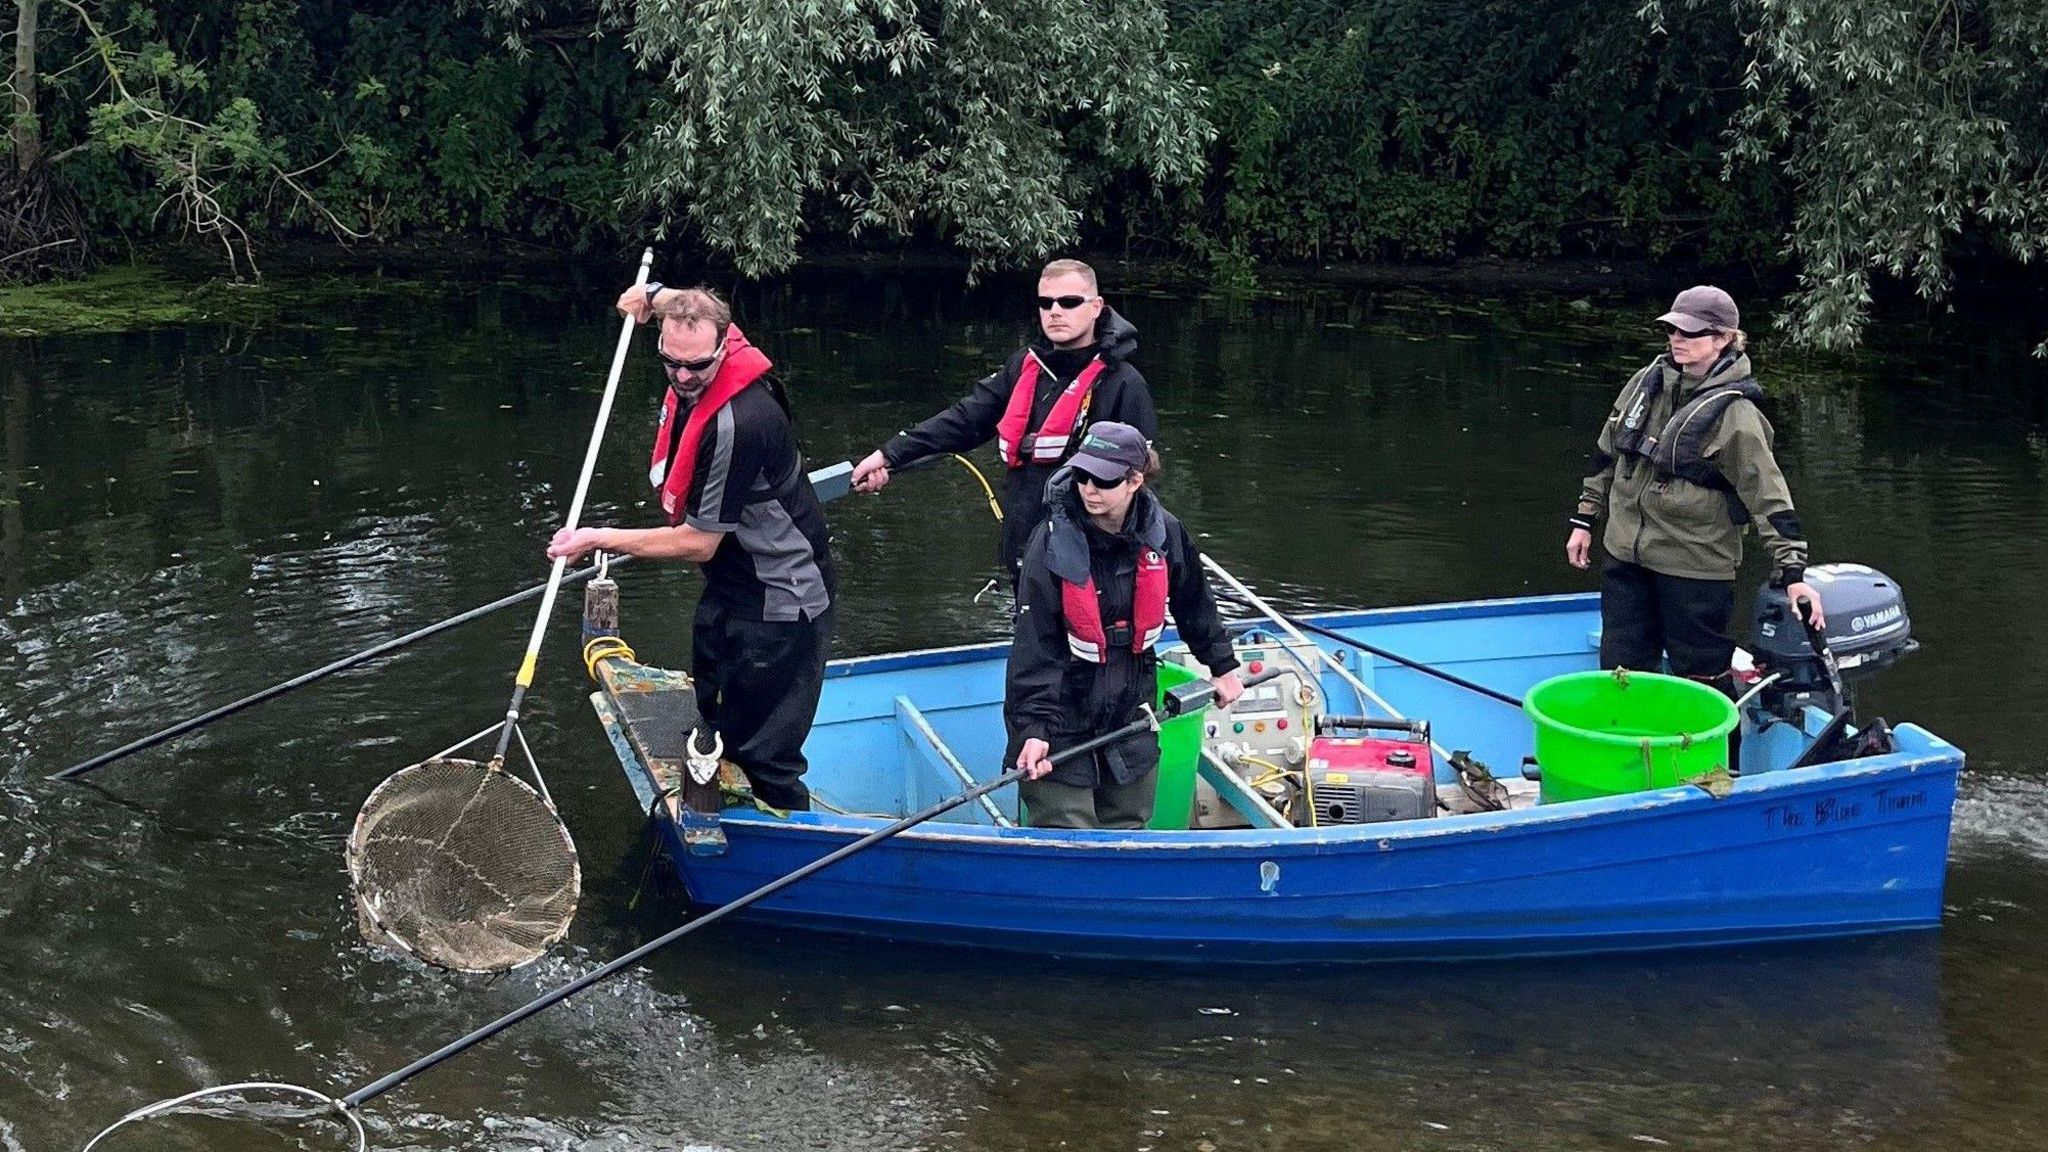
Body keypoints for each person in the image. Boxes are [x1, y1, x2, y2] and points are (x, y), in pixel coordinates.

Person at [548, 283, 833, 811]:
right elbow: (679, 302)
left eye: (696, 367)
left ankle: (787, 841)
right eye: (671, 364)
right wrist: (651, 293)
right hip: (733, 582)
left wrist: (596, 536)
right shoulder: (704, 341)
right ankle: (721, 792)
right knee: (713, 702)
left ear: (724, 348)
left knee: (764, 751)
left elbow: (699, 542)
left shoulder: (737, 422)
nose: (682, 379)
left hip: (781, 597)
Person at [1565, 285, 1825, 692]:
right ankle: (1631, 748)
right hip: (1625, 557)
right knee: (1621, 673)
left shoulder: (1738, 414)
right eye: (1672, 330)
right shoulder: (1643, 384)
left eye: (1691, 333)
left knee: (1702, 680)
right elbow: (1607, 454)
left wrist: (1792, 571)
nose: (1677, 340)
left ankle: (1720, 757)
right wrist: (1585, 518)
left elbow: (1768, 496)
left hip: (1694, 567)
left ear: (1724, 339)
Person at [849, 258, 1159, 584]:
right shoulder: (1022, 367)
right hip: (1026, 546)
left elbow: (1140, 481)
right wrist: (889, 454)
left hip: (1094, 559)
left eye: (1068, 302)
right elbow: (964, 420)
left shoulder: (1124, 383)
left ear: (1096, 307)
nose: (1055, 311)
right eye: (1045, 302)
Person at [1005, 421, 1243, 829]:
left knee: (1129, 828)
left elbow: (1194, 601)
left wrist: (1222, 666)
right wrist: (1033, 728)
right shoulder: (1050, 543)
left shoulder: (1165, 531)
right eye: (1081, 476)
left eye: (1103, 480)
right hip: (1063, 714)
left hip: (1132, 709)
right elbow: (1034, 645)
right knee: (1066, 835)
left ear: (1135, 480)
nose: (1089, 489)